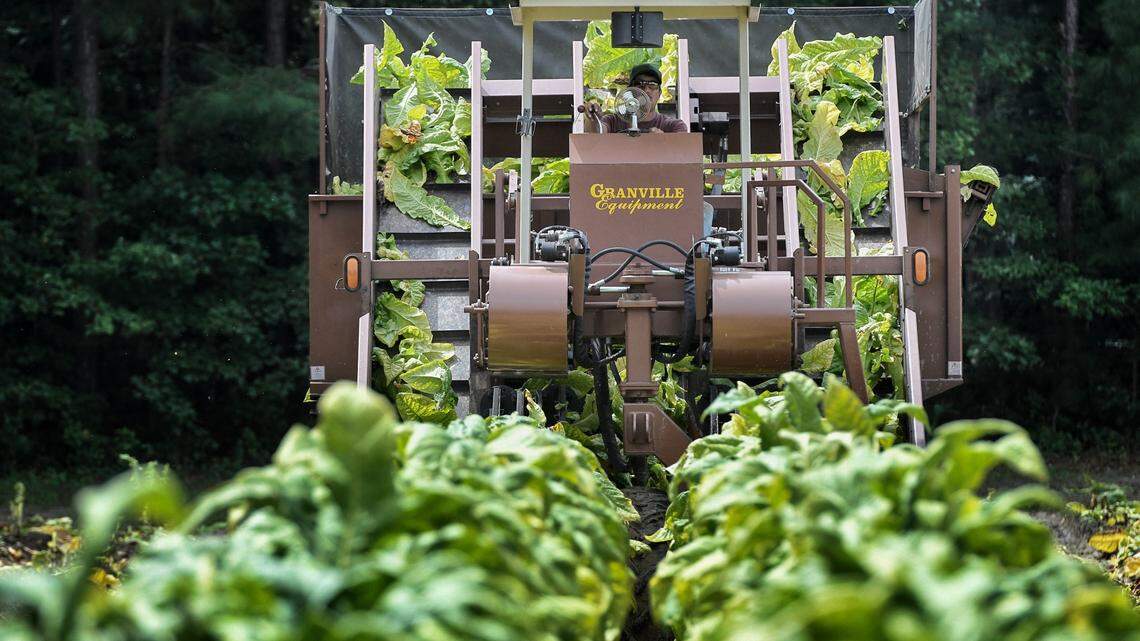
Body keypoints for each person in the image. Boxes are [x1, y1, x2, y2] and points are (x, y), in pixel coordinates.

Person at [583, 63, 689, 134]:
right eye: (640, 85)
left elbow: (682, 150)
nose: (646, 90)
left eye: (652, 85)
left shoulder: (673, 126)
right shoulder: (612, 122)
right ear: (629, 92)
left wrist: (662, 141)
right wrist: (592, 117)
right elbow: (597, 134)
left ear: (659, 93)